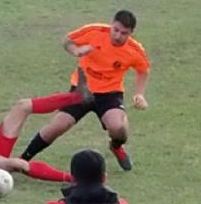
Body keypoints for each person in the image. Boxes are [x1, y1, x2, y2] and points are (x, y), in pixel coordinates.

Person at [21, 10, 150, 171]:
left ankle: (116, 146)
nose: (117, 36)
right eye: (115, 30)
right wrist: (76, 51)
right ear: (111, 24)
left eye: (124, 33)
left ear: (131, 33)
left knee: (118, 128)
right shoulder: (94, 31)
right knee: (57, 126)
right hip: (82, 89)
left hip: (109, 94)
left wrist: (139, 94)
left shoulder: (134, 50)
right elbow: (67, 41)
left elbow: (143, 70)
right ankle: (21, 160)